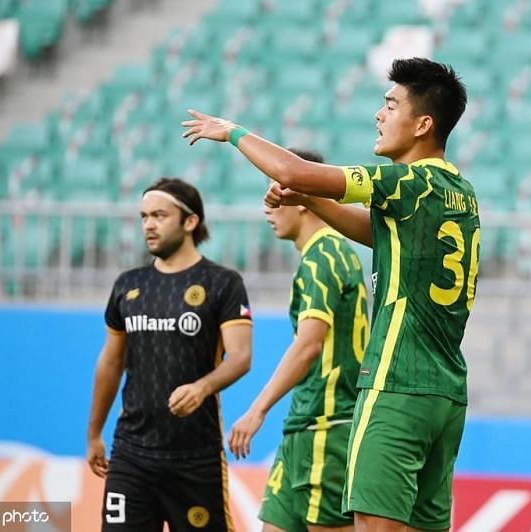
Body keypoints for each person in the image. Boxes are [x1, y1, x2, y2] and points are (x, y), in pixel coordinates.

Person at [182, 57, 479, 531]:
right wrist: (309, 200)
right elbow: (375, 232)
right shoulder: (458, 190)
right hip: (445, 393)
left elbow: (294, 171)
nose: (379, 116)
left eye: (390, 105)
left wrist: (233, 132)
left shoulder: (407, 181)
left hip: (395, 383)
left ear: (422, 124)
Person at [86, 177, 253, 532]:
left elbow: (240, 357)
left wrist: (202, 388)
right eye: (144, 216)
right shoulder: (128, 285)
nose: (148, 224)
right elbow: (111, 362)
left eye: (159, 215)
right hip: (132, 454)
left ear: (190, 221)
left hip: (196, 457)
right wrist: (94, 433)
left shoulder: (222, 283)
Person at [228, 149, 369, 532]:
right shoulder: (329, 253)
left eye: (276, 194)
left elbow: (309, 344)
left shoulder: (324, 256)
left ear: (302, 197)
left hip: (327, 428)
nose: (268, 207)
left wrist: (257, 409)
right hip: (302, 429)